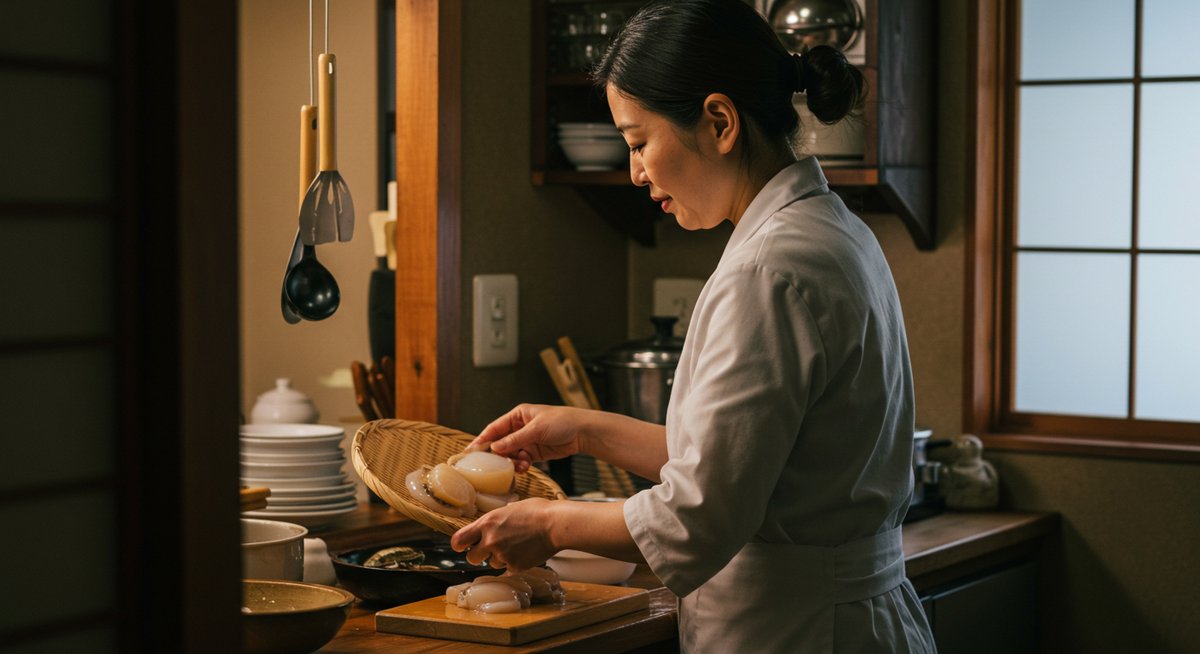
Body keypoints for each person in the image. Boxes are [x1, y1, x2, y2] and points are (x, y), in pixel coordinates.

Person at [450, 0, 935, 650]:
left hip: (800, 629)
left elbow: (696, 516)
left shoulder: (769, 269)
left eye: (640, 141)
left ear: (719, 122)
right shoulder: (834, 231)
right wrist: (585, 429)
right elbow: (742, 459)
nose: (634, 171)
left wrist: (549, 522)